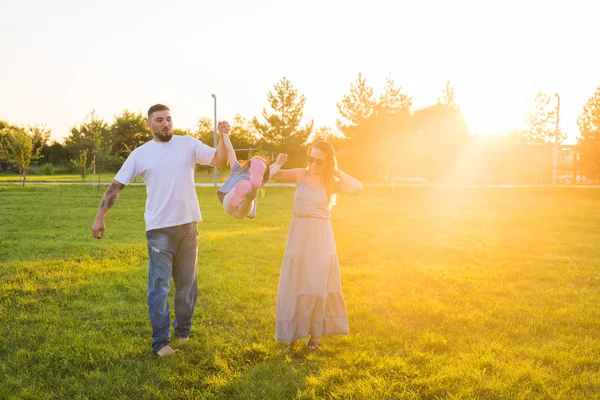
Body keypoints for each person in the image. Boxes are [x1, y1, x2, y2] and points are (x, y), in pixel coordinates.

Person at [91, 104, 229, 357]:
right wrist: (100, 217)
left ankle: (183, 333)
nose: (165, 124)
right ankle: (161, 344)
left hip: (189, 226)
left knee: (187, 285)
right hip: (159, 230)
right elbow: (116, 186)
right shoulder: (140, 154)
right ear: (149, 125)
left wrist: (223, 136)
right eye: (159, 120)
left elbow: (220, 160)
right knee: (159, 286)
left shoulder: (188, 144)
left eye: (168, 119)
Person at [270, 140, 363, 351]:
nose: (313, 164)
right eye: (310, 158)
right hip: (299, 235)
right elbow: (271, 175)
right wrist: (277, 163)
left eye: (319, 161)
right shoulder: (299, 175)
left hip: (321, 237)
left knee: (317, 285)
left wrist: (337, 171)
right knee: (295, 283)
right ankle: (293, 335)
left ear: (327, 162)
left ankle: (315, 336)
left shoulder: (330, 182)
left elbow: (358, 187)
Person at [216, 125, 286, 219]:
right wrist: (225, 135)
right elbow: (230, 150)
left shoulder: (239, 171)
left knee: (250, 193)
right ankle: (240, 192)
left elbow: (230, 151)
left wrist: (278, 163)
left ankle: (243, 192)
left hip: (230, 206)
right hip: (236, 206)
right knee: (250, 196)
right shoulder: (238, 169)